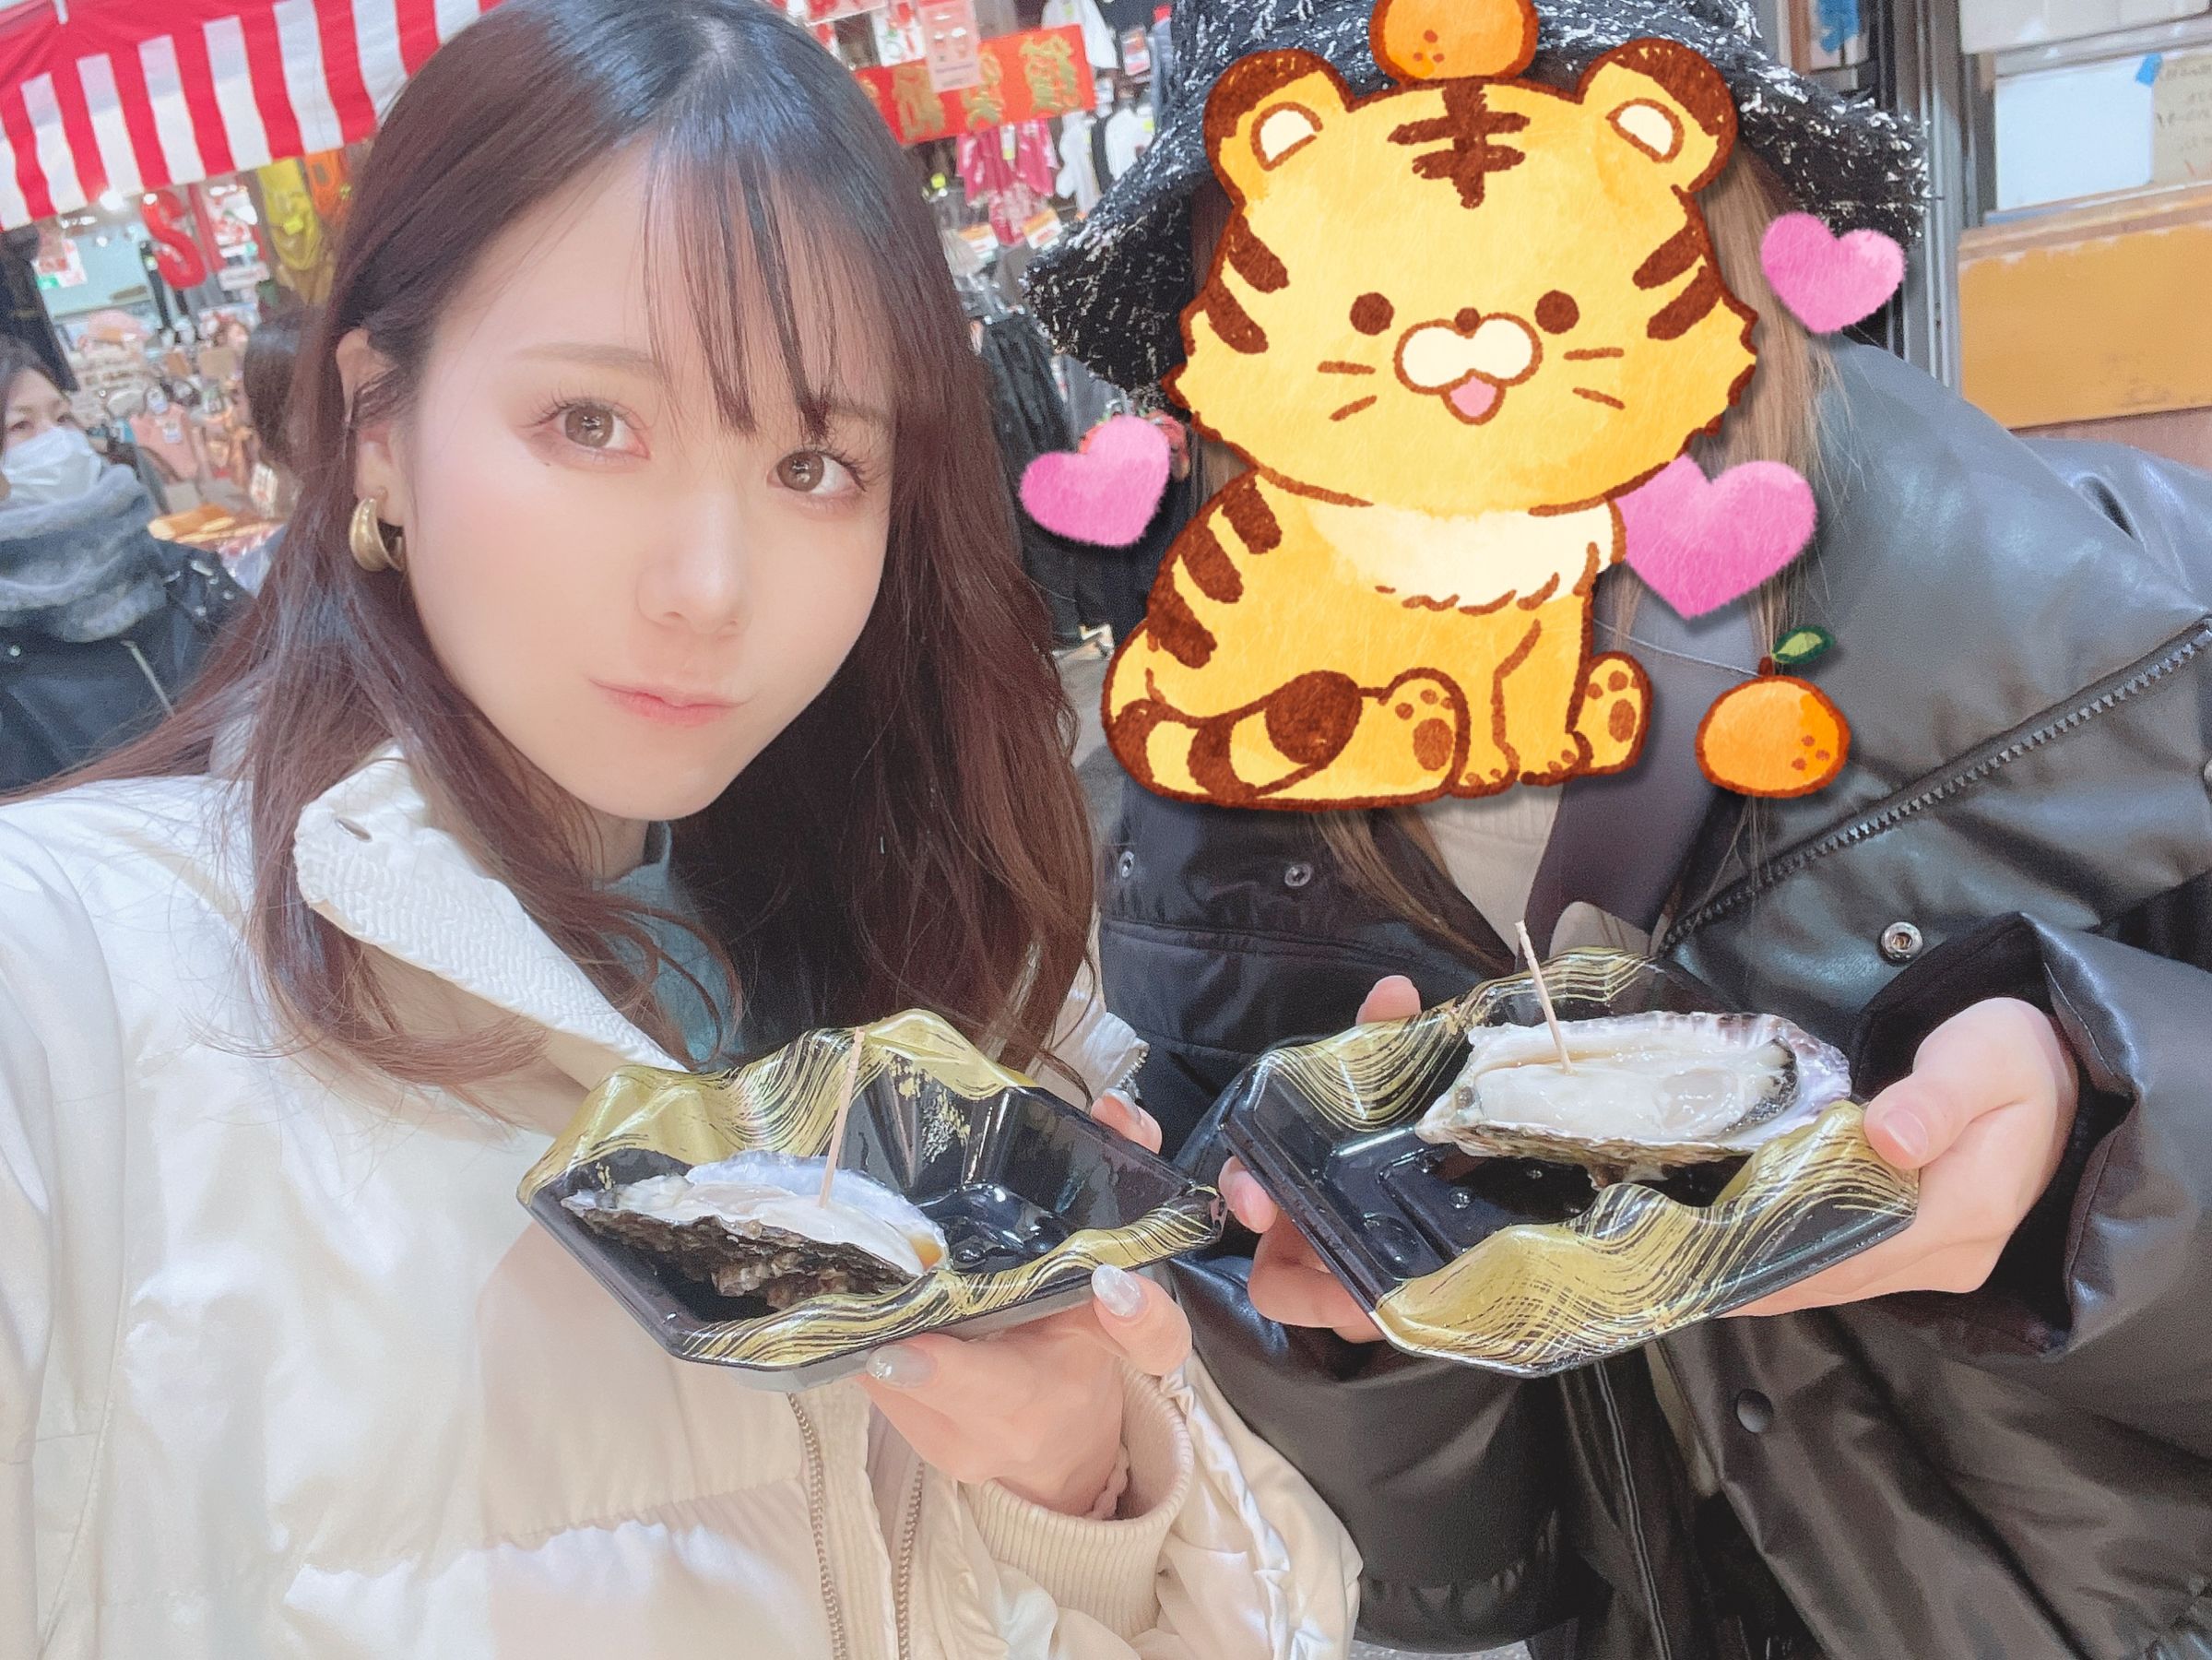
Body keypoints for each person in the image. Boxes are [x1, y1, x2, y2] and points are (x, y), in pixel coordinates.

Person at [0, 3, 1358, 1656]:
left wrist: (1084, 1482)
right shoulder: (66, 992)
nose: (710, 588)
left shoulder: (958, 973)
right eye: (592, 424)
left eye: (813, 463)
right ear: (377, 426)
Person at [1025, 1, 2212, 1657]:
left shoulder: (2124, 627)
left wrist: (2100, 1143)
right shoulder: (1221, 817)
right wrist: (1356, 1335)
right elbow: (1453, 1566)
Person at [0, 338, 247, 791]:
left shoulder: (185, 574)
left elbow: (275, 681)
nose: (56, 439)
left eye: (63, 417)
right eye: (20, 425)